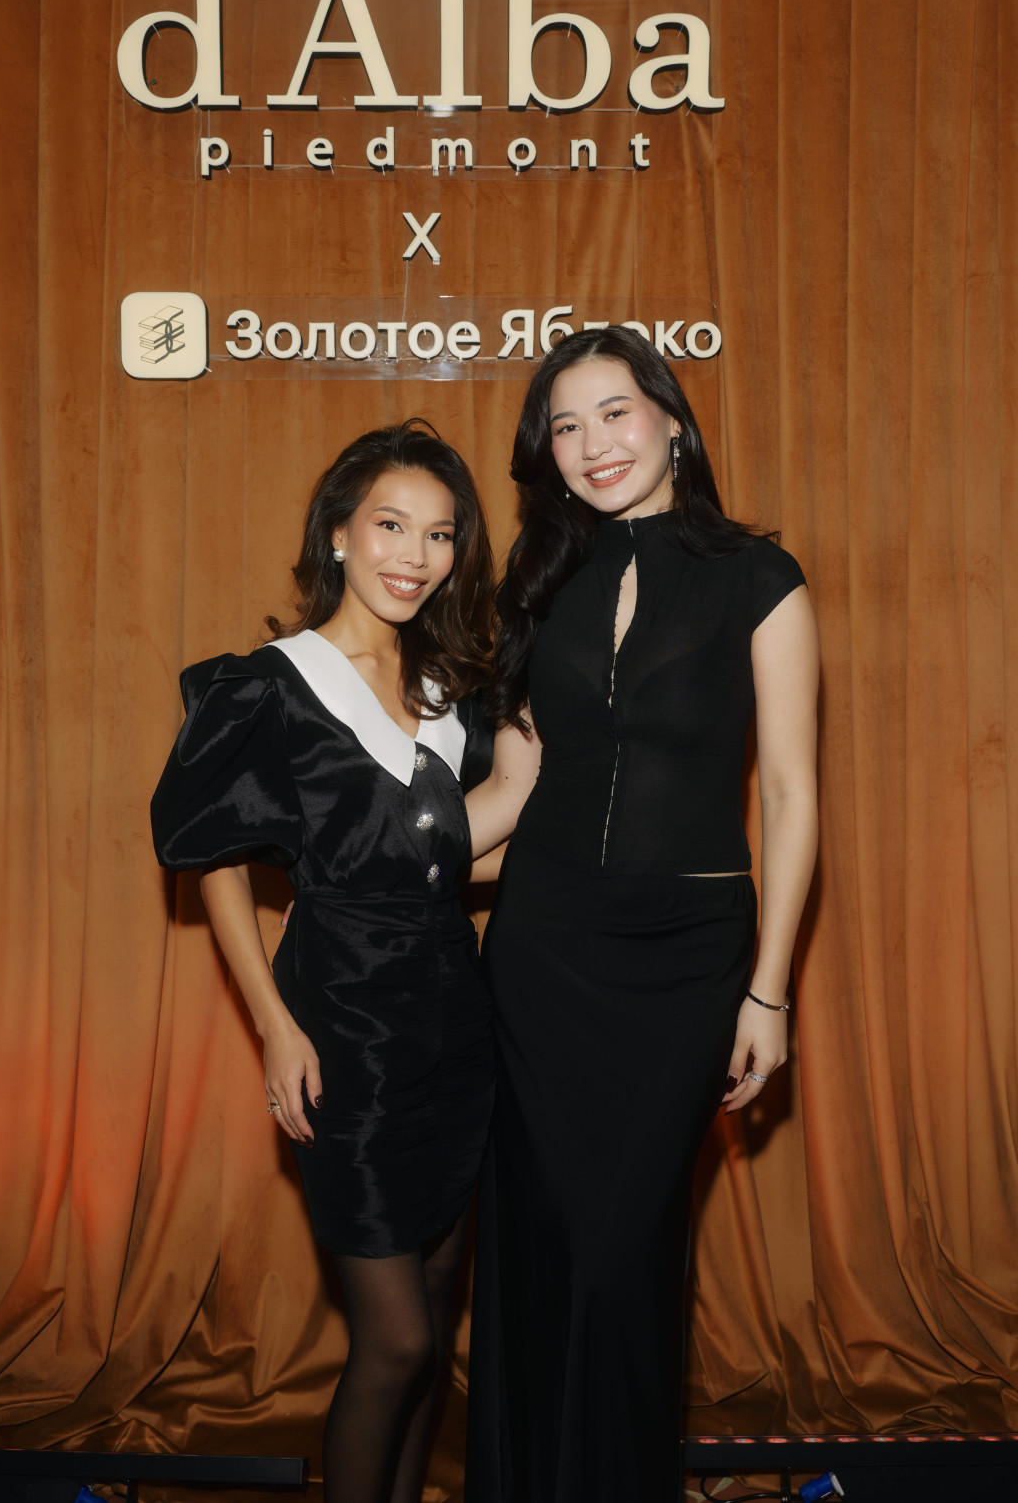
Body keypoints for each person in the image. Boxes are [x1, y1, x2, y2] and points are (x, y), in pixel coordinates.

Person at [463, 327, 820, 1503]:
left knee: (622, 1248)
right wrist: (372, 854)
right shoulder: (535, 582)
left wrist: (769, 990)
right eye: (565, 426)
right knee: (543, 1240)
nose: (593, 444)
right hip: (541, 955)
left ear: (671, 419)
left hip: (685, 962)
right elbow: (511, 788)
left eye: (614, 412)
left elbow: (791, 794)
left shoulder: (760, 577)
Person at [151, 420, 497, 1503]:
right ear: (339, 533)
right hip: (344, 1017)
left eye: (439, 534)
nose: (414, 554)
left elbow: (447, 857)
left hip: (456, 1015)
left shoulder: (452, 687)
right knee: (395, 1340)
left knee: (435, 1321)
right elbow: (212, 856)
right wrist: (275, 1024)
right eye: (391, 524)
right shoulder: (274, 683)